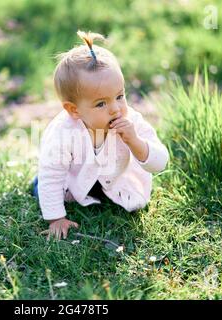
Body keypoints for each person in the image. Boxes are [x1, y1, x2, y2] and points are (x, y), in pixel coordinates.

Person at [32, 30, 169, 240]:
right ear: (74, 110)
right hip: (73, 180)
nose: (115, 109)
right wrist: (55, 218)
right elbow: (52, 174)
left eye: (120, 96)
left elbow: (160, 163)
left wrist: (135, 142)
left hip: (115, 179)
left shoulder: (131, 120)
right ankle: (38, 184)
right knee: (44, 184)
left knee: (119, 191)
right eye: (101, 103)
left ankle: (105, 192)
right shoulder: (64, 132)